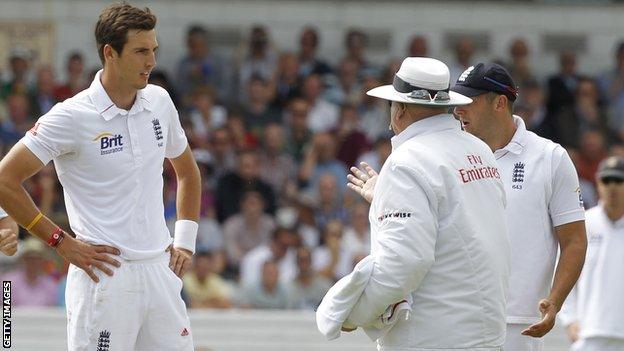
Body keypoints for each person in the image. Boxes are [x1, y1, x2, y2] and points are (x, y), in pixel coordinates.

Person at [0, 4, 201, 350]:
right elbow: (4, 180)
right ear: (110, 53)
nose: (151, 61)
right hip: (104, 277)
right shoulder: (71, 116)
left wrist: (185, 240)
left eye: (153, 50)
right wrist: (60, 242)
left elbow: (187, 171)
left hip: (160, 272)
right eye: (140, 51)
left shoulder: (160, 100)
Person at [328, 57, 511, 349]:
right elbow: (460, 223)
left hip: (433, 339)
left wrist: (351, 314)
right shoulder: (479, 150)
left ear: (398, 109)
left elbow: (404, 262)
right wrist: (385, 197)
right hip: (486, 334)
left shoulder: (406, 162)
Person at [451, 63, 587, 351]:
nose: (457, 111)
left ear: (499, 103)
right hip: (454, 318)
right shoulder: (449, 155)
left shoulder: (550, 158)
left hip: (518, 325)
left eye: (467, 102)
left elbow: (574, 240)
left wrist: (555, 301)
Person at [559, 156, 624, 351]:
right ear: (598, 182)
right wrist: (570, 320)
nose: (612, 187)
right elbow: (564, 270)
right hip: (590, 333)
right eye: (607, 180)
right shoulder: (584, 223)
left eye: (619, 181)